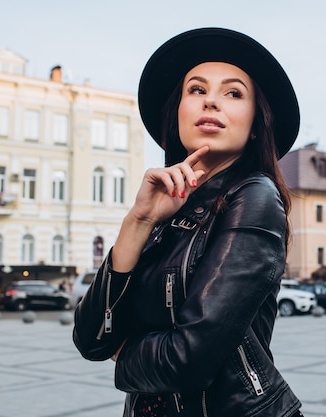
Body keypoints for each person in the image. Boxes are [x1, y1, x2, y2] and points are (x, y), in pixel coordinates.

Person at [73, 27, 303, 417]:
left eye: (233, 93)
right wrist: (139, 221)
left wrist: (122, 348)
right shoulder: (164, 207)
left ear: (254, 124)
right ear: (176, 111)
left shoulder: (255, 197)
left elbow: (188, 360)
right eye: (196, 90)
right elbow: (91, 338)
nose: (211, 100)